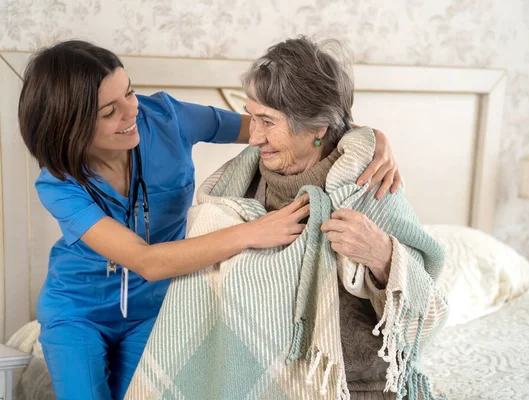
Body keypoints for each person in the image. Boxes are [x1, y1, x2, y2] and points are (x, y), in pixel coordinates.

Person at [18, 40, 402, 400]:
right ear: (69, 125)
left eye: (130, 92)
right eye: (109, 111)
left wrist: (364, 136)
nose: (132, 110)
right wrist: (251, 233)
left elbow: (276, 126)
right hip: (79, 310)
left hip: (157, 306)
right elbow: (147, 261)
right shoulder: (58, 184)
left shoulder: (166, 117)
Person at [126, 36, 448, 400]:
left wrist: (384, 258)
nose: (254, 136)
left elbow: (429, 316)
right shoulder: (235, 189)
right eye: (252, 116)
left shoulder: (369, 183)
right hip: (244, 383)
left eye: (267, 121)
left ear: (317, 127)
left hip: (354, 386)